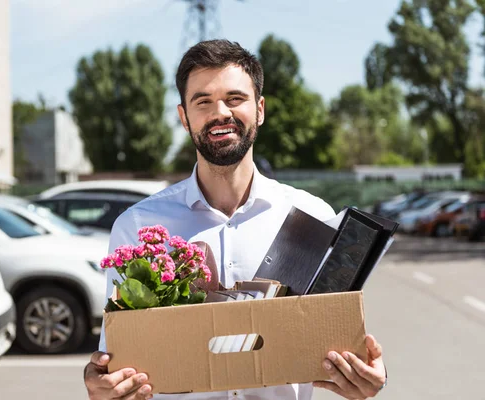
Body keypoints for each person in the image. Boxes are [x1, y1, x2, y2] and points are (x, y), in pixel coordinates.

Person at [84, 39, 387, 400]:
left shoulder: (313, 218)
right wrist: (102, 382)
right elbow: (116, 355)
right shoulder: (137, 227)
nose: (221, 113)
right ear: (184, 117)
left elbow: (340, 338)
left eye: (235, 98)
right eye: (203, 101)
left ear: (260, 109)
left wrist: (367, 373)